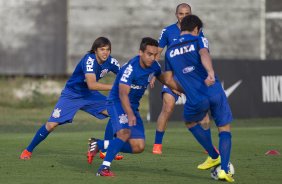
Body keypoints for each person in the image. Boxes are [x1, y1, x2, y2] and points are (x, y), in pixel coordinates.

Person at [87, 37, 181, 176]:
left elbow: (165, 79)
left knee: (139, 147)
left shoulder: (154, 66)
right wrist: (130, 114)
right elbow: (123, 93)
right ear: (140, 53)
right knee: (124, 133)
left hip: (132, 107)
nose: (152, 58)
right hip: (117, 102)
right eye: (149, 54)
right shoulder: (130, 68)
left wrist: (184, 90)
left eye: (155, 55)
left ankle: (98, 145)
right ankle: (103, 168)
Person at [20, 37, 123, 161]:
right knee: (52, 125)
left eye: (108, 50)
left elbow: (125, 75)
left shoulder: (111, 62)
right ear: (95, 50)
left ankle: (105, 151)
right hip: (72, 94)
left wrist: (146, 78)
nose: (105, 52)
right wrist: (115, 87)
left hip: (90, 95)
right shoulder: (89, 60)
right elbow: (92, 84)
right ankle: (28, 150)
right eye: (102, 49)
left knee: (115, 112)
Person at [164, 15, 234, 182]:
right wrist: (210, 73)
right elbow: (204, 54)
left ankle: (212, 154)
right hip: (214, 90)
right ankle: (224, 169)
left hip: (195, 97)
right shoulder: (199, 40)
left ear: (181, 28)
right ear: (197, 29)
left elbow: (167, 79)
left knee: (190, 122)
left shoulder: (169, 51)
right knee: (224, 128)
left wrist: (185, 89)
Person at [152, 3, 214, 155]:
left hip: (192, 79)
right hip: (172, 76)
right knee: (168, 106)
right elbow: (156, 54)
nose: (184, 16)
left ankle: (208, 147)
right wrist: (153, 73)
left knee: (204, 114)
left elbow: (203, 52)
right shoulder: (168, 31)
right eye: (181, 14)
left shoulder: (197, 31)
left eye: (187, 14)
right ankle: (157, 145)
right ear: (176, 14)